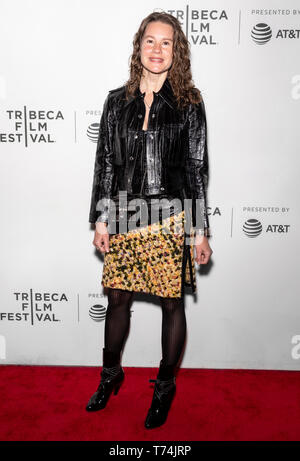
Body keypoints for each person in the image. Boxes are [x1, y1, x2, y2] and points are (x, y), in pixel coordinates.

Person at [86, 12, 213, 429]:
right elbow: (105, 163)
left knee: (172, 304)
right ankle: (110, 375)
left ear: (176, 52)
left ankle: (164, 388)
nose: (157, 50)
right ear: (138, 45)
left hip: (170, 216)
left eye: (167, 43)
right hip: (124, 211)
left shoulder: (190, 103)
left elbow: (196, 170)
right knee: (117, 299)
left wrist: (199, 231)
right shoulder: (115, 101)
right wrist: (102, 219)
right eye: (150, 41)